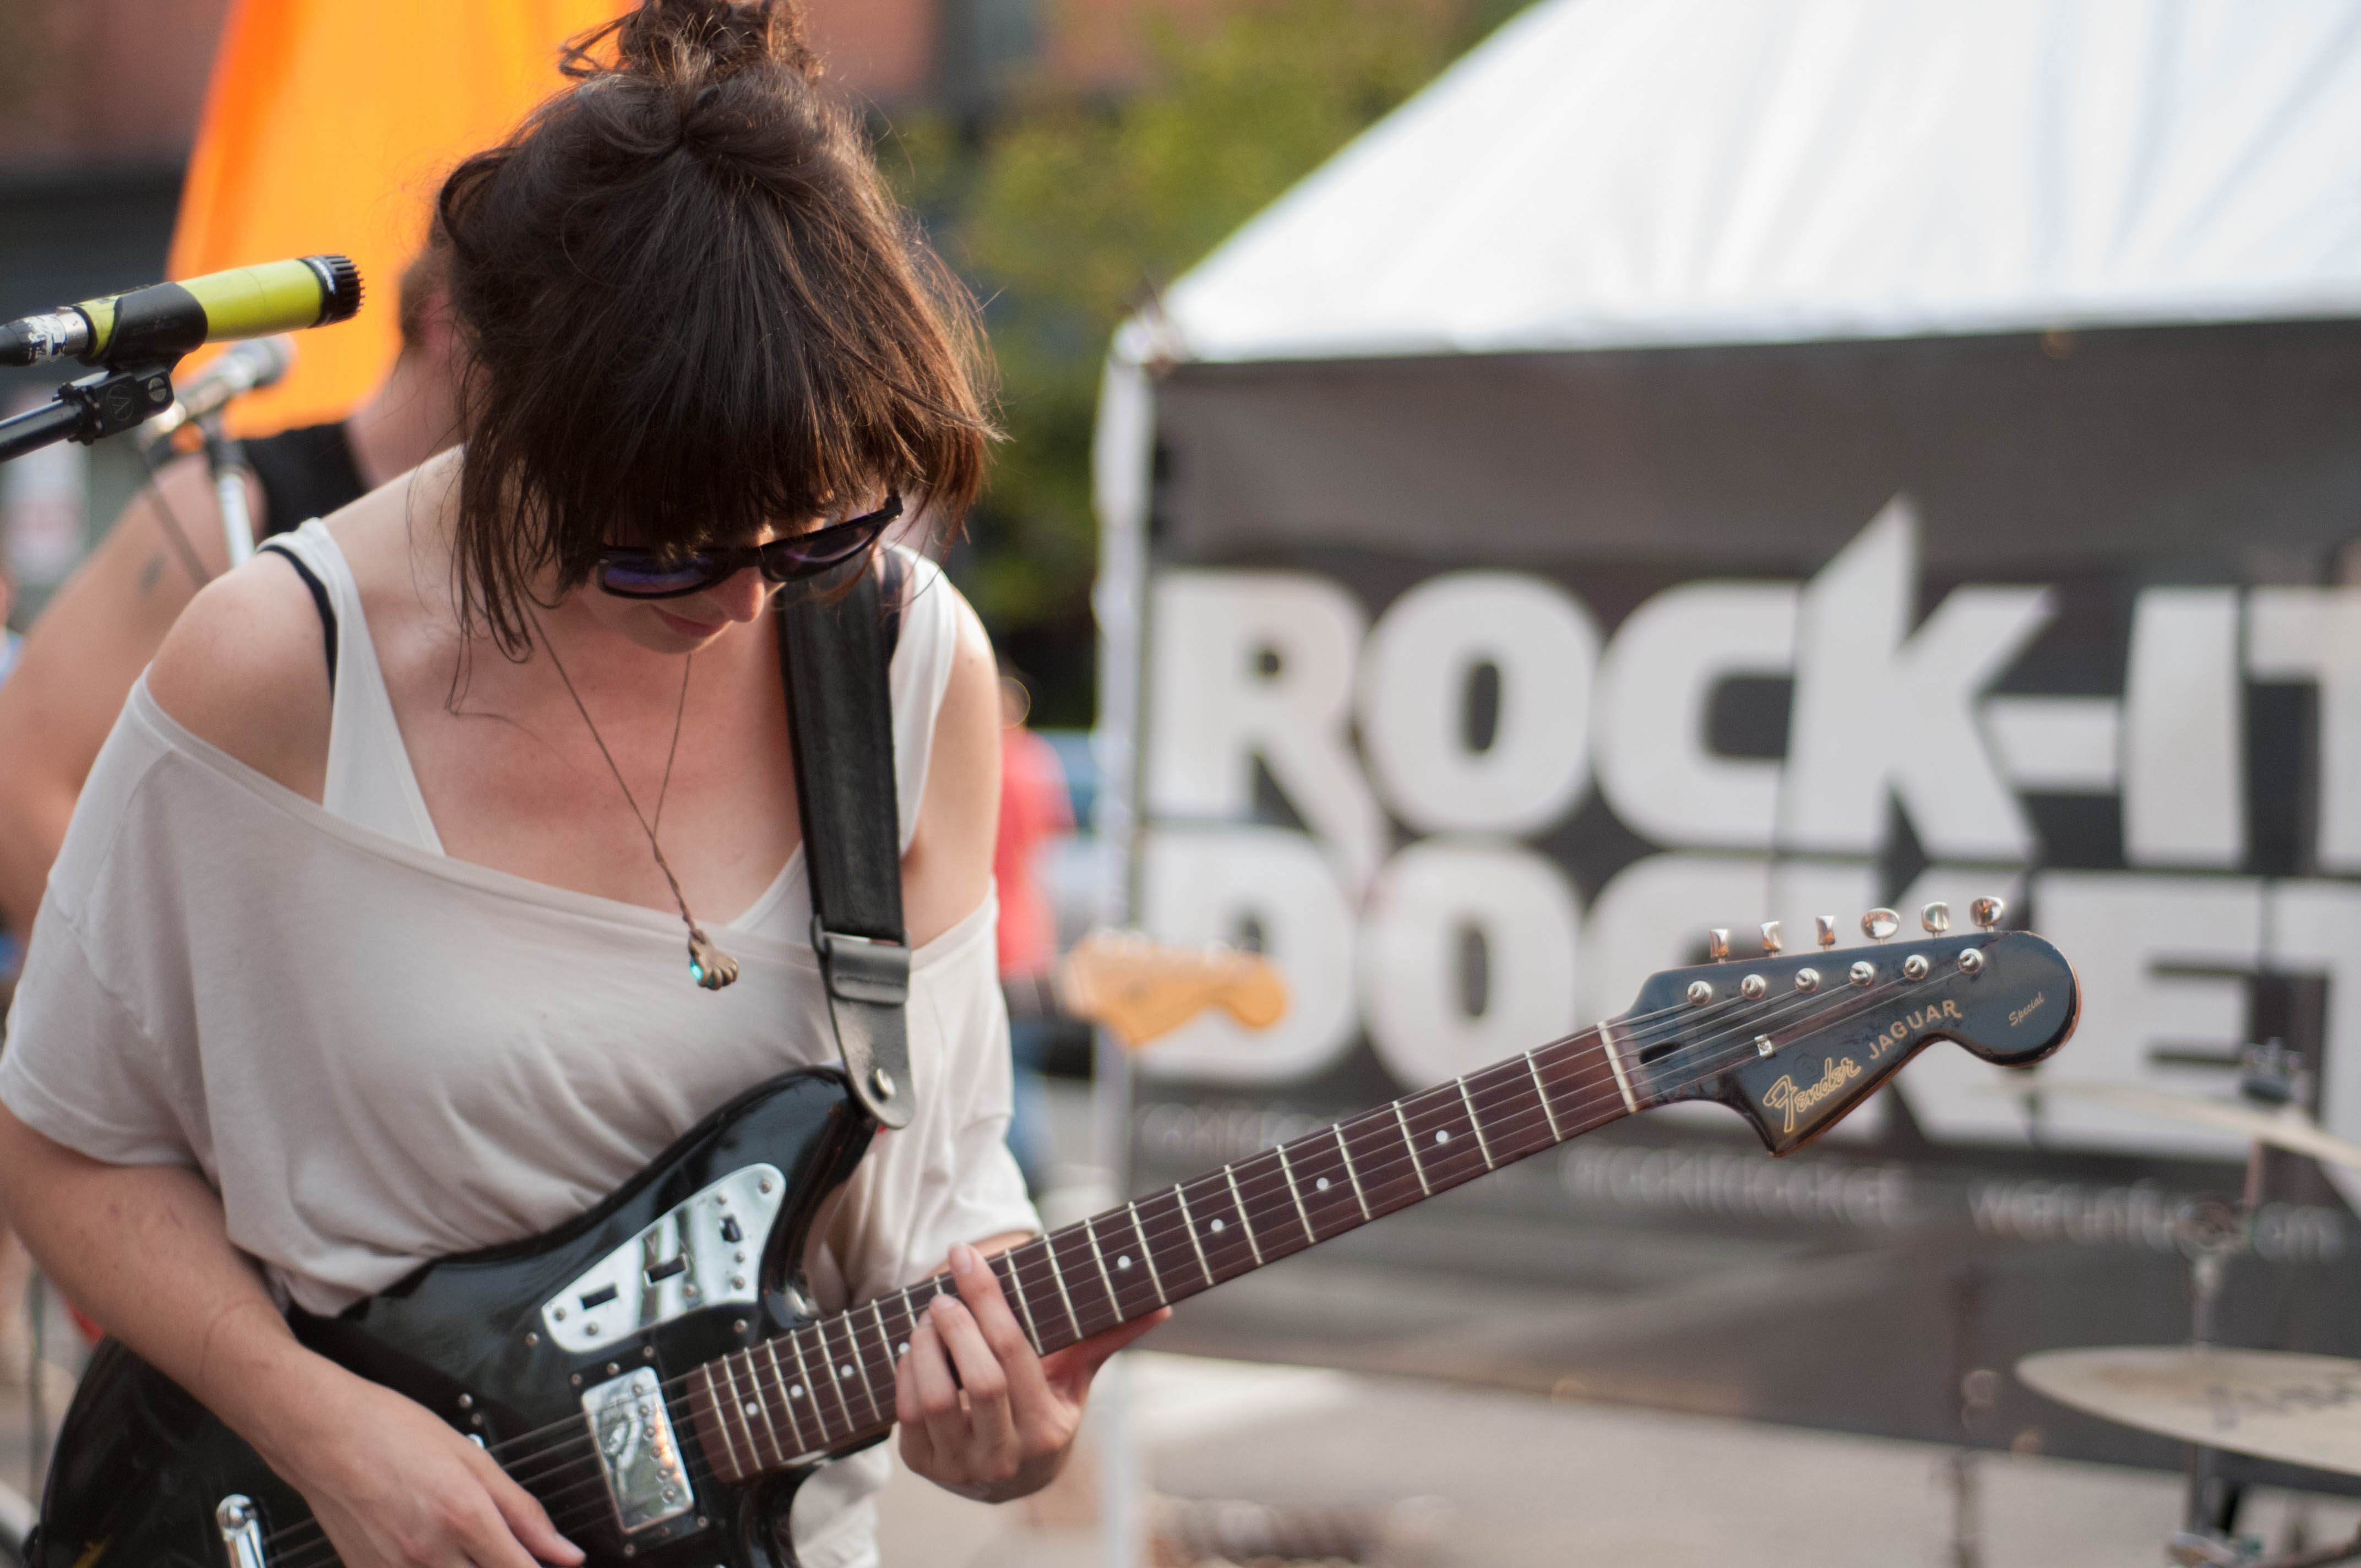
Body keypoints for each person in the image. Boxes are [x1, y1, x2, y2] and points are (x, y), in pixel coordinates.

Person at [0, 5, 1160, 1567]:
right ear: (511, 424)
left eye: (817, 534)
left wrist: (1002, 1393)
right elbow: (61, 1142)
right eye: (663, 553)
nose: (746, 602)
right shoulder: (284, 661)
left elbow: (936, 1183)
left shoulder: (902, 656)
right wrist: (322, 1431)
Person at [0, 244, 464, 938]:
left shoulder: (546, 555)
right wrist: (155, 995)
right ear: (447, 315)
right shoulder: (223, 503)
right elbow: (19, 782)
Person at [994, 664, 1074, 1191]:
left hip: (992, 942)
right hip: (1030, 939)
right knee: (1018, 1068)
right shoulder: (1037, 761)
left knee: (1001, 1074)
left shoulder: (984, 763)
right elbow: (1050, 838)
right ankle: (1030, 1173)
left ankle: (1024, 1174)